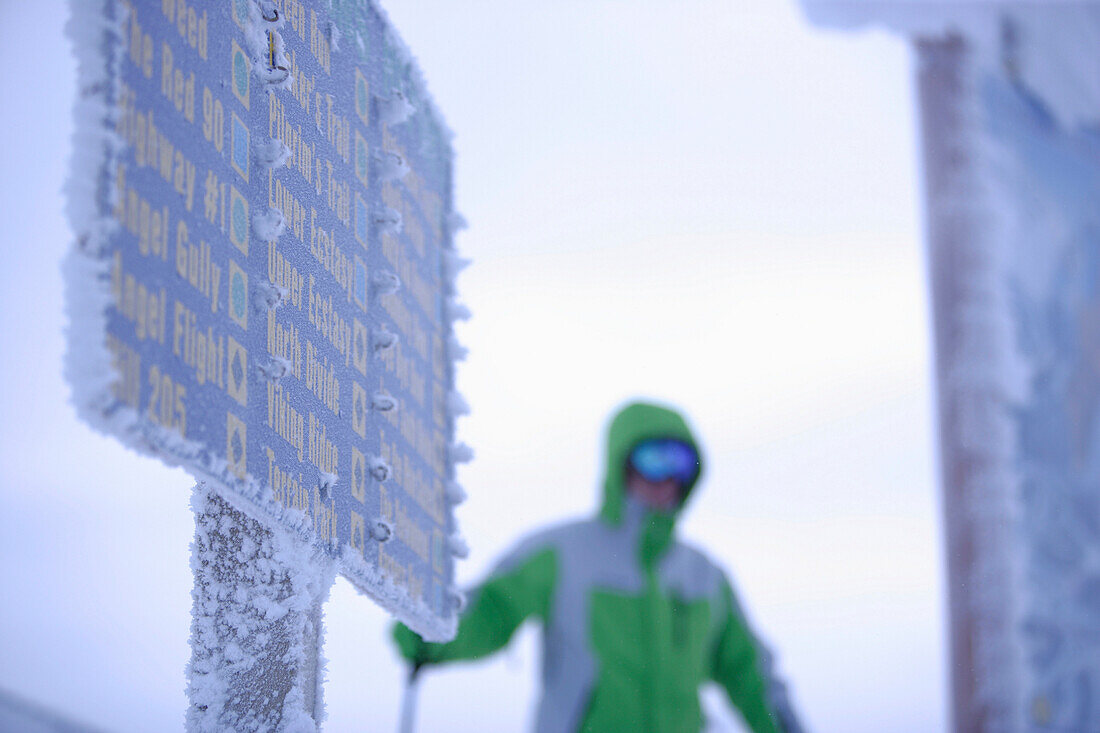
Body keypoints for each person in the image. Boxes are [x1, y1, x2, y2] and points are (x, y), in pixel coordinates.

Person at [393, 401, 802, 732]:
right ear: (621, 463)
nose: (667, 477)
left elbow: (752, 675)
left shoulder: (706, 577)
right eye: (653, 458)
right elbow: (494, 609)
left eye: (680, 463)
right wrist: (427, 626)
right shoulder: (562, 552)